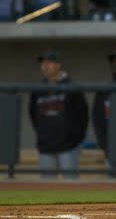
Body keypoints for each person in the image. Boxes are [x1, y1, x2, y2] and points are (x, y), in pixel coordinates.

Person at [29, 49, 88, 180]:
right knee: (46, 190)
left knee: (71, 186)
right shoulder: (38, 89)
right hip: (46, 146)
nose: (45, 66)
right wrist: (42, 135)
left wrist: (74, 140)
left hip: (68, 147)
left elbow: (83, 116)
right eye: (43, 63)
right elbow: (33, 115)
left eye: (49, 62)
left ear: (58, 65)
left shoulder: (72, 87)